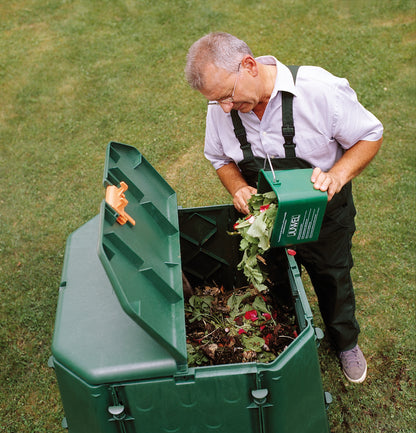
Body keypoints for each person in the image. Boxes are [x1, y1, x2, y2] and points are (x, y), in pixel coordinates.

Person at [185, 32, 383, 383]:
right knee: (274, 281)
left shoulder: (319, 90)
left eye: (227, 97)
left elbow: (370, 135)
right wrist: (239, 187)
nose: (225, 109)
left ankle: (345, 342)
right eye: (217, 102)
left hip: (323, 216)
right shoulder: (220, 106)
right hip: (265, 221)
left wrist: (337, 175)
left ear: (249, 65)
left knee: (332, 278)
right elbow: (218, 157)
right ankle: (287, 342)